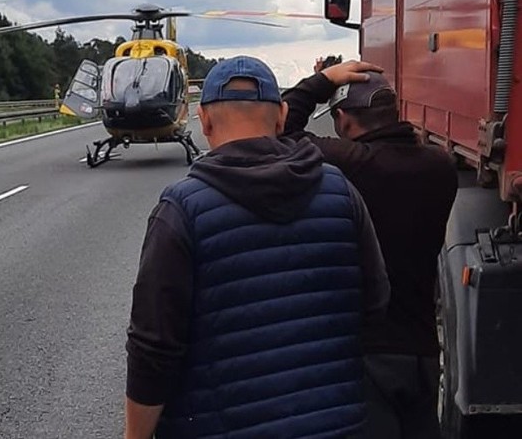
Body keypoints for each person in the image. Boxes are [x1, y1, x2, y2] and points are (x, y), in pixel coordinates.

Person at [124, 56, 390, 439]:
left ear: (205, 119)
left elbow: (153, 351)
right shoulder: (340, 192)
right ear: (281, 117)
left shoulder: (180, 210)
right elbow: (375, 302)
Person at [281, 61, 459, 438]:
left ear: (344, 120)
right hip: (423, 353)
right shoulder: (440, 167)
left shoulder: (352, 165)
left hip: (369, 356)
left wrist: (323, 81)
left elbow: (281, 127)